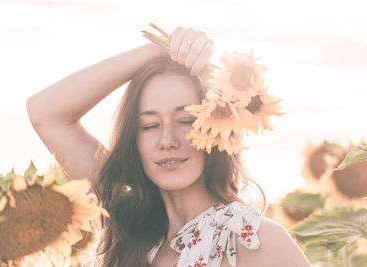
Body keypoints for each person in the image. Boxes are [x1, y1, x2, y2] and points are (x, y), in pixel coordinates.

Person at [26, 26, 312, 267]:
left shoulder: (253, 239)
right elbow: (45, 112)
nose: (167, 141)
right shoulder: (130, 227)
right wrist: (158, 50)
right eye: (149, 126)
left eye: (185, 121)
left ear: (215, 129)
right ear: (133, 141)